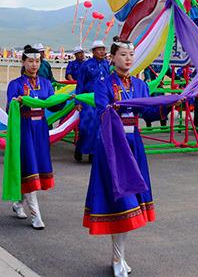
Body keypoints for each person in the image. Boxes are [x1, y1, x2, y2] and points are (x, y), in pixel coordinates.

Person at [83, 37, 156, 277]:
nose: (128, 59)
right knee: (120, 201)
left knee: (132, 201)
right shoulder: (103, 83)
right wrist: (117, 107)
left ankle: (119, 255)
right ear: (112, 57)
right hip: (113, 147)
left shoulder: (139, 84)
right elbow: (103, 109)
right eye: (123, 54)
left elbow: (149, 111)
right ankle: (117, 257)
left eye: (131, 55)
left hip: (134, 144)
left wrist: (173, 102)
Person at [7, 45, 60, 229]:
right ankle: (36, 215)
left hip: (41, 131)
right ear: (23, 62)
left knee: (34, 168)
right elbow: (9, 110)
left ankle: (18, 202)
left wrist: (70, 102)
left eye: (37, 61)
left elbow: (53, 106)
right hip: (24, 130)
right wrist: (17, 102)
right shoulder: (15, 84)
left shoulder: (46, 83)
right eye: (30, 61)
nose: (34, 65)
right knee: (29, 167)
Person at [74, 41, 110, 163]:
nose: (102, 52)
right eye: (99, 49)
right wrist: (78, 101)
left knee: (98, 127)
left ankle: (93, 154)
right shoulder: (86, 65)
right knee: (85, 126)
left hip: (101, 100)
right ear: (93, 51)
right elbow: (80, 83)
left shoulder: (106, 64)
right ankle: (79, 148)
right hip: (87, 100)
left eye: (103, 49)